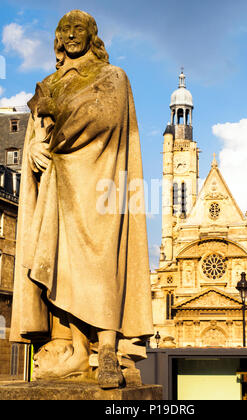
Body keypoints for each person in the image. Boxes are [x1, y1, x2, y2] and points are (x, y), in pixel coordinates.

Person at [10, 10, 153, 389]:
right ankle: (74, 348)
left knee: (103, 262)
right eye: (65, 30)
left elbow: (104, 118)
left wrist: (55, 133)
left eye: (79, 29)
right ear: (58, 37)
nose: (71, 35)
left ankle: (107, 347)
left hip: (100, 181)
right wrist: (35, 149)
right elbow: (36, 131)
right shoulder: (48, 83)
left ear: (92, 36)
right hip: (57, 186)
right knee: (58, 263)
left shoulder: (112, 76)